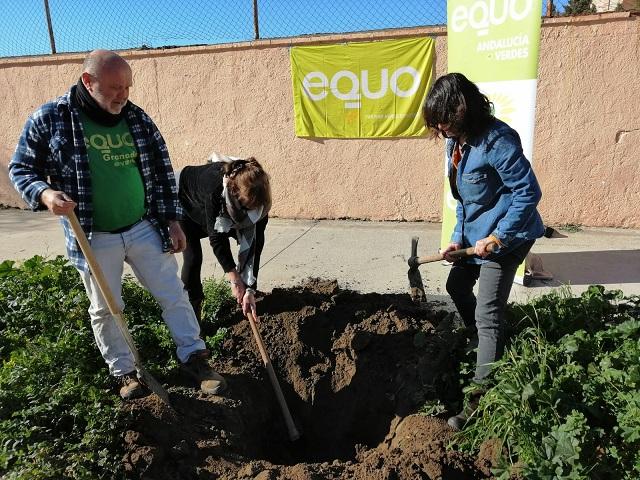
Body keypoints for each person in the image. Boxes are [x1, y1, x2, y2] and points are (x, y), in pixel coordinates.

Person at [9, 49, 226, 401]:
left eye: (127, 86)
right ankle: (125, 373)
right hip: (94, 234)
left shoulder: (136, 118)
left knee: (173, 293)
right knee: (106, 308)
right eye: (114, 87)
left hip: (143, 225)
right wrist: (45, 194)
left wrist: (171, 219)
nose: (123, 95)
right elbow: (20, 168)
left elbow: (160, 168)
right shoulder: (51, 118)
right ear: (88, 82)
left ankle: (195, 358)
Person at [422, 73, 544, 430]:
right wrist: (459, 238)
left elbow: (528, 193)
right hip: (477, 236)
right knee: (456, 288)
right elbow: (464, 198)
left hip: (511, 236)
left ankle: (480, 398)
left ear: (461, 110)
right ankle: (483, 341)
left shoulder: (497, 141)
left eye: (444, 120)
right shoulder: (455, 142)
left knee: (489, 311)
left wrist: (499, 237)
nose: (440, 129)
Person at [177, 154, 271, 321]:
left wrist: (250, 289)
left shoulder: (259, 205)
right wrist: (235, 279)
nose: (253, 214)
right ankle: (191, 314)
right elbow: (217, 240)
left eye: (255, 211)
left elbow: (255, 247)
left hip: (222, 212)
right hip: (185, 200)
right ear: (235, 194)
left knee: (247, 235)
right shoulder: (215, 191)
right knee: (193, 257)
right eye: (248, 209)